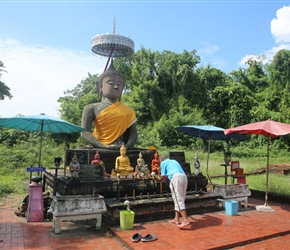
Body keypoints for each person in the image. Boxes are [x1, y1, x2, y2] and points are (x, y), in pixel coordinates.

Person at [81, 60, 137, 150]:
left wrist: (126, 147)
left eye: (119, 84)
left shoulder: (128, 111)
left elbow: (133, 135)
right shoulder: (91, 108)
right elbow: (84, 133)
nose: (115, 87)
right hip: (100, 148)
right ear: (100, 87)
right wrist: (101, 146)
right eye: (111, 83)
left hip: (121, 150)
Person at [159, 156, 190, 228]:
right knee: (180, 198)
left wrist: (159, 179)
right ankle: (176, 218)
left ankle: (185, 220)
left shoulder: (163, 163)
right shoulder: (173, 161)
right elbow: (170, 174)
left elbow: (163, 176)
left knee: (178, 199)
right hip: (184, 177)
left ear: (161, 160)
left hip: (176, 178)